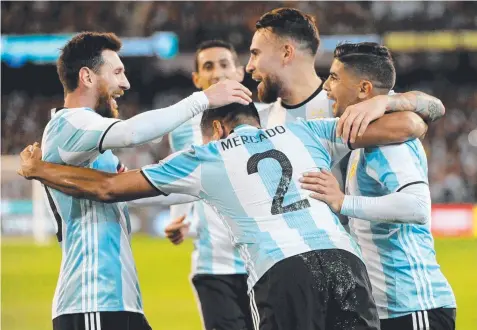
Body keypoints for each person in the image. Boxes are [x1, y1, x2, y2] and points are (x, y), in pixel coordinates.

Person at [18, 100, 428, 330]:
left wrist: (41, 170)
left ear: (216, 129)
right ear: (255, 120)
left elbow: (107, 188)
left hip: (283, 271)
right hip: (345, 263)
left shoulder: (206, 155)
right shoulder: (309, 131)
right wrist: (389, 102)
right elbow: (409, 125)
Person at [38, 31, 252, 330]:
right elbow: (131, 133)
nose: (125, 83)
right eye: (117, 72)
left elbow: (144, 190)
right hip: (91, 299)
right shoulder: (68, 123)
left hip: (115, 300)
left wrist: (208, 180)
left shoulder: (93, 150)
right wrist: (202, 100)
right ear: (86, 77)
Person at [299, 42, 456, 330]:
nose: (326, 87)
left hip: (413, 307)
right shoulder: (372, 133)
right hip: (389, 308)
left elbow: (418, 206)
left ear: (364, 89)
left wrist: (342, 201)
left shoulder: (388, 144)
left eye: (334, 77)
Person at [137, 39, 254, 330]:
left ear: (239, 72)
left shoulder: (265, 115)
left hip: (263, 261)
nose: (217, 73)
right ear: (196, 79)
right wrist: (181, 218)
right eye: (208, 66)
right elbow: (183, 180)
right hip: (214, 266)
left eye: (225, 64)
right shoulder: (183, 125)